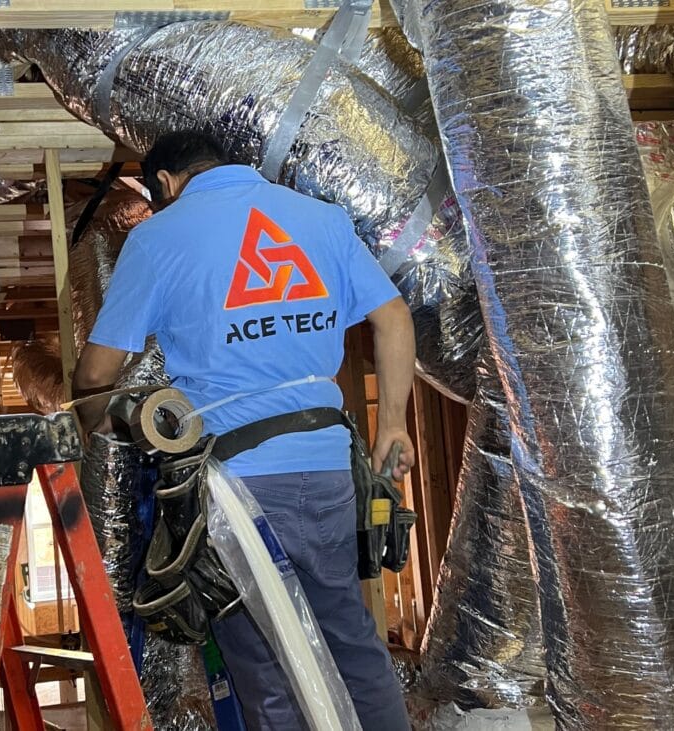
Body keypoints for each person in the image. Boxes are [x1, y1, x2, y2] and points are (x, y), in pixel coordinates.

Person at [74, 130, 417, 729]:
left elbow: (97, 373)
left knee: (262, 661)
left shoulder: (157, 237)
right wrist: (393, 425)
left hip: (237, 489)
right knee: (353, 641)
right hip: (329, 468)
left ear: (164, 183)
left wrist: (96, 418)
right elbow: (392, 317)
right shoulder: (323, 219)